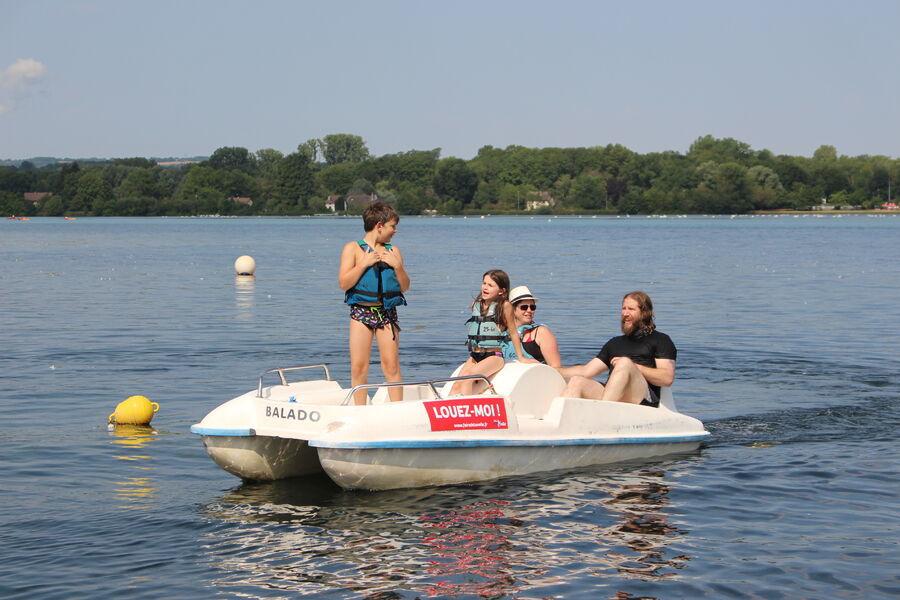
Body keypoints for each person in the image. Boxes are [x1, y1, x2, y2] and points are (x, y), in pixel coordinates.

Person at [338, 201, 410, 405]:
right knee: (359, 368)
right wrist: (363, 264)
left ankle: (397, 410)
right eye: (392, 226)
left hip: (387, 314)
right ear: (379, 225)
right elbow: (344, 283)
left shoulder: (393, 251)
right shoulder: (352, 249)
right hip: (361, 314)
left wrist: (398, 267)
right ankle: (360, 410)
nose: (395, 231)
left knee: (392, 367)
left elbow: (404, 287)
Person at [557, 291, 675, 407]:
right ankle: (560, 420)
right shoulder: (614, 343)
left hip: (643, 399)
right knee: (577, 381)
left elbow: (667, 378)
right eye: (623, 308)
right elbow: (586, 371)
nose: (625, 313)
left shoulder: (661, 340)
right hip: (613, 397)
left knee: (624, 363)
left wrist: (634, 367)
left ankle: (602, 413)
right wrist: (551, 369)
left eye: (631, 309)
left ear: (644, 313)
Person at [450, 270, 533, 396]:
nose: (485, 287)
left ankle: (469, 410)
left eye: (490, 285)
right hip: (475, 355)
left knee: (468, 378)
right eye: (484, 283)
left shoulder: (504, 306)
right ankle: (446, 410)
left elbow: (514, 332)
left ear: (501, 291)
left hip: (494, 356)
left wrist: (520, 357)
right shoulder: (476, 304)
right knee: (456, 385)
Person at [501, 285, 561, 367]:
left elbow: (556, 367)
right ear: (512, 309)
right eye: (524, 307)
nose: (529, 310)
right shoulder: (501, 331)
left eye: (532, 307)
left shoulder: (541, 332)